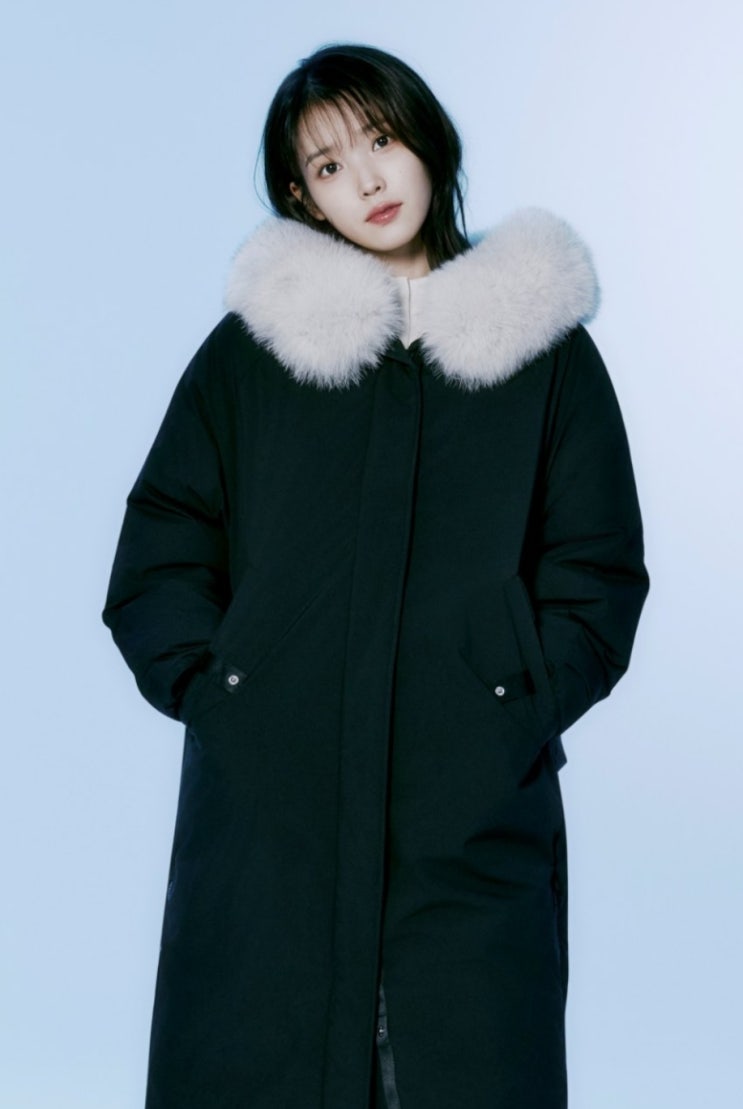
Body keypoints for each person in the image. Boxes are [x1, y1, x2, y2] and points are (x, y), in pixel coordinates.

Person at [103, 43, 649, 1109]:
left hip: (469, 802)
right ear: (301, 199)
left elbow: (594, 567)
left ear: (426, 139)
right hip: (275, 811)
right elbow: (162, 540)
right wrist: (226, 693)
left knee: (464, 1060)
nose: (365, 179)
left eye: (381, 140)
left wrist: (510, 702)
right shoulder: (252, 356)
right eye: (327, 166)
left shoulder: (544, 354)